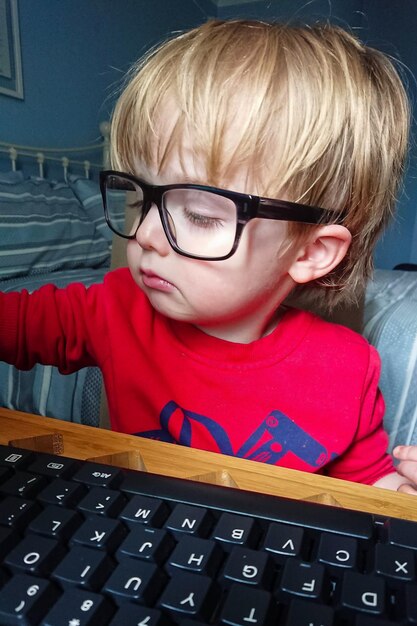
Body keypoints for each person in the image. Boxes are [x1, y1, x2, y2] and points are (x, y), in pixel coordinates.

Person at [1, 18, 417, 493]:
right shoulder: (113, 307)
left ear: (312, 251)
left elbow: (367, 489)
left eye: (198, 215)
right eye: (139, 200)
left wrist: (401, 493)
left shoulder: (348, 367)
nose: (146, 234)